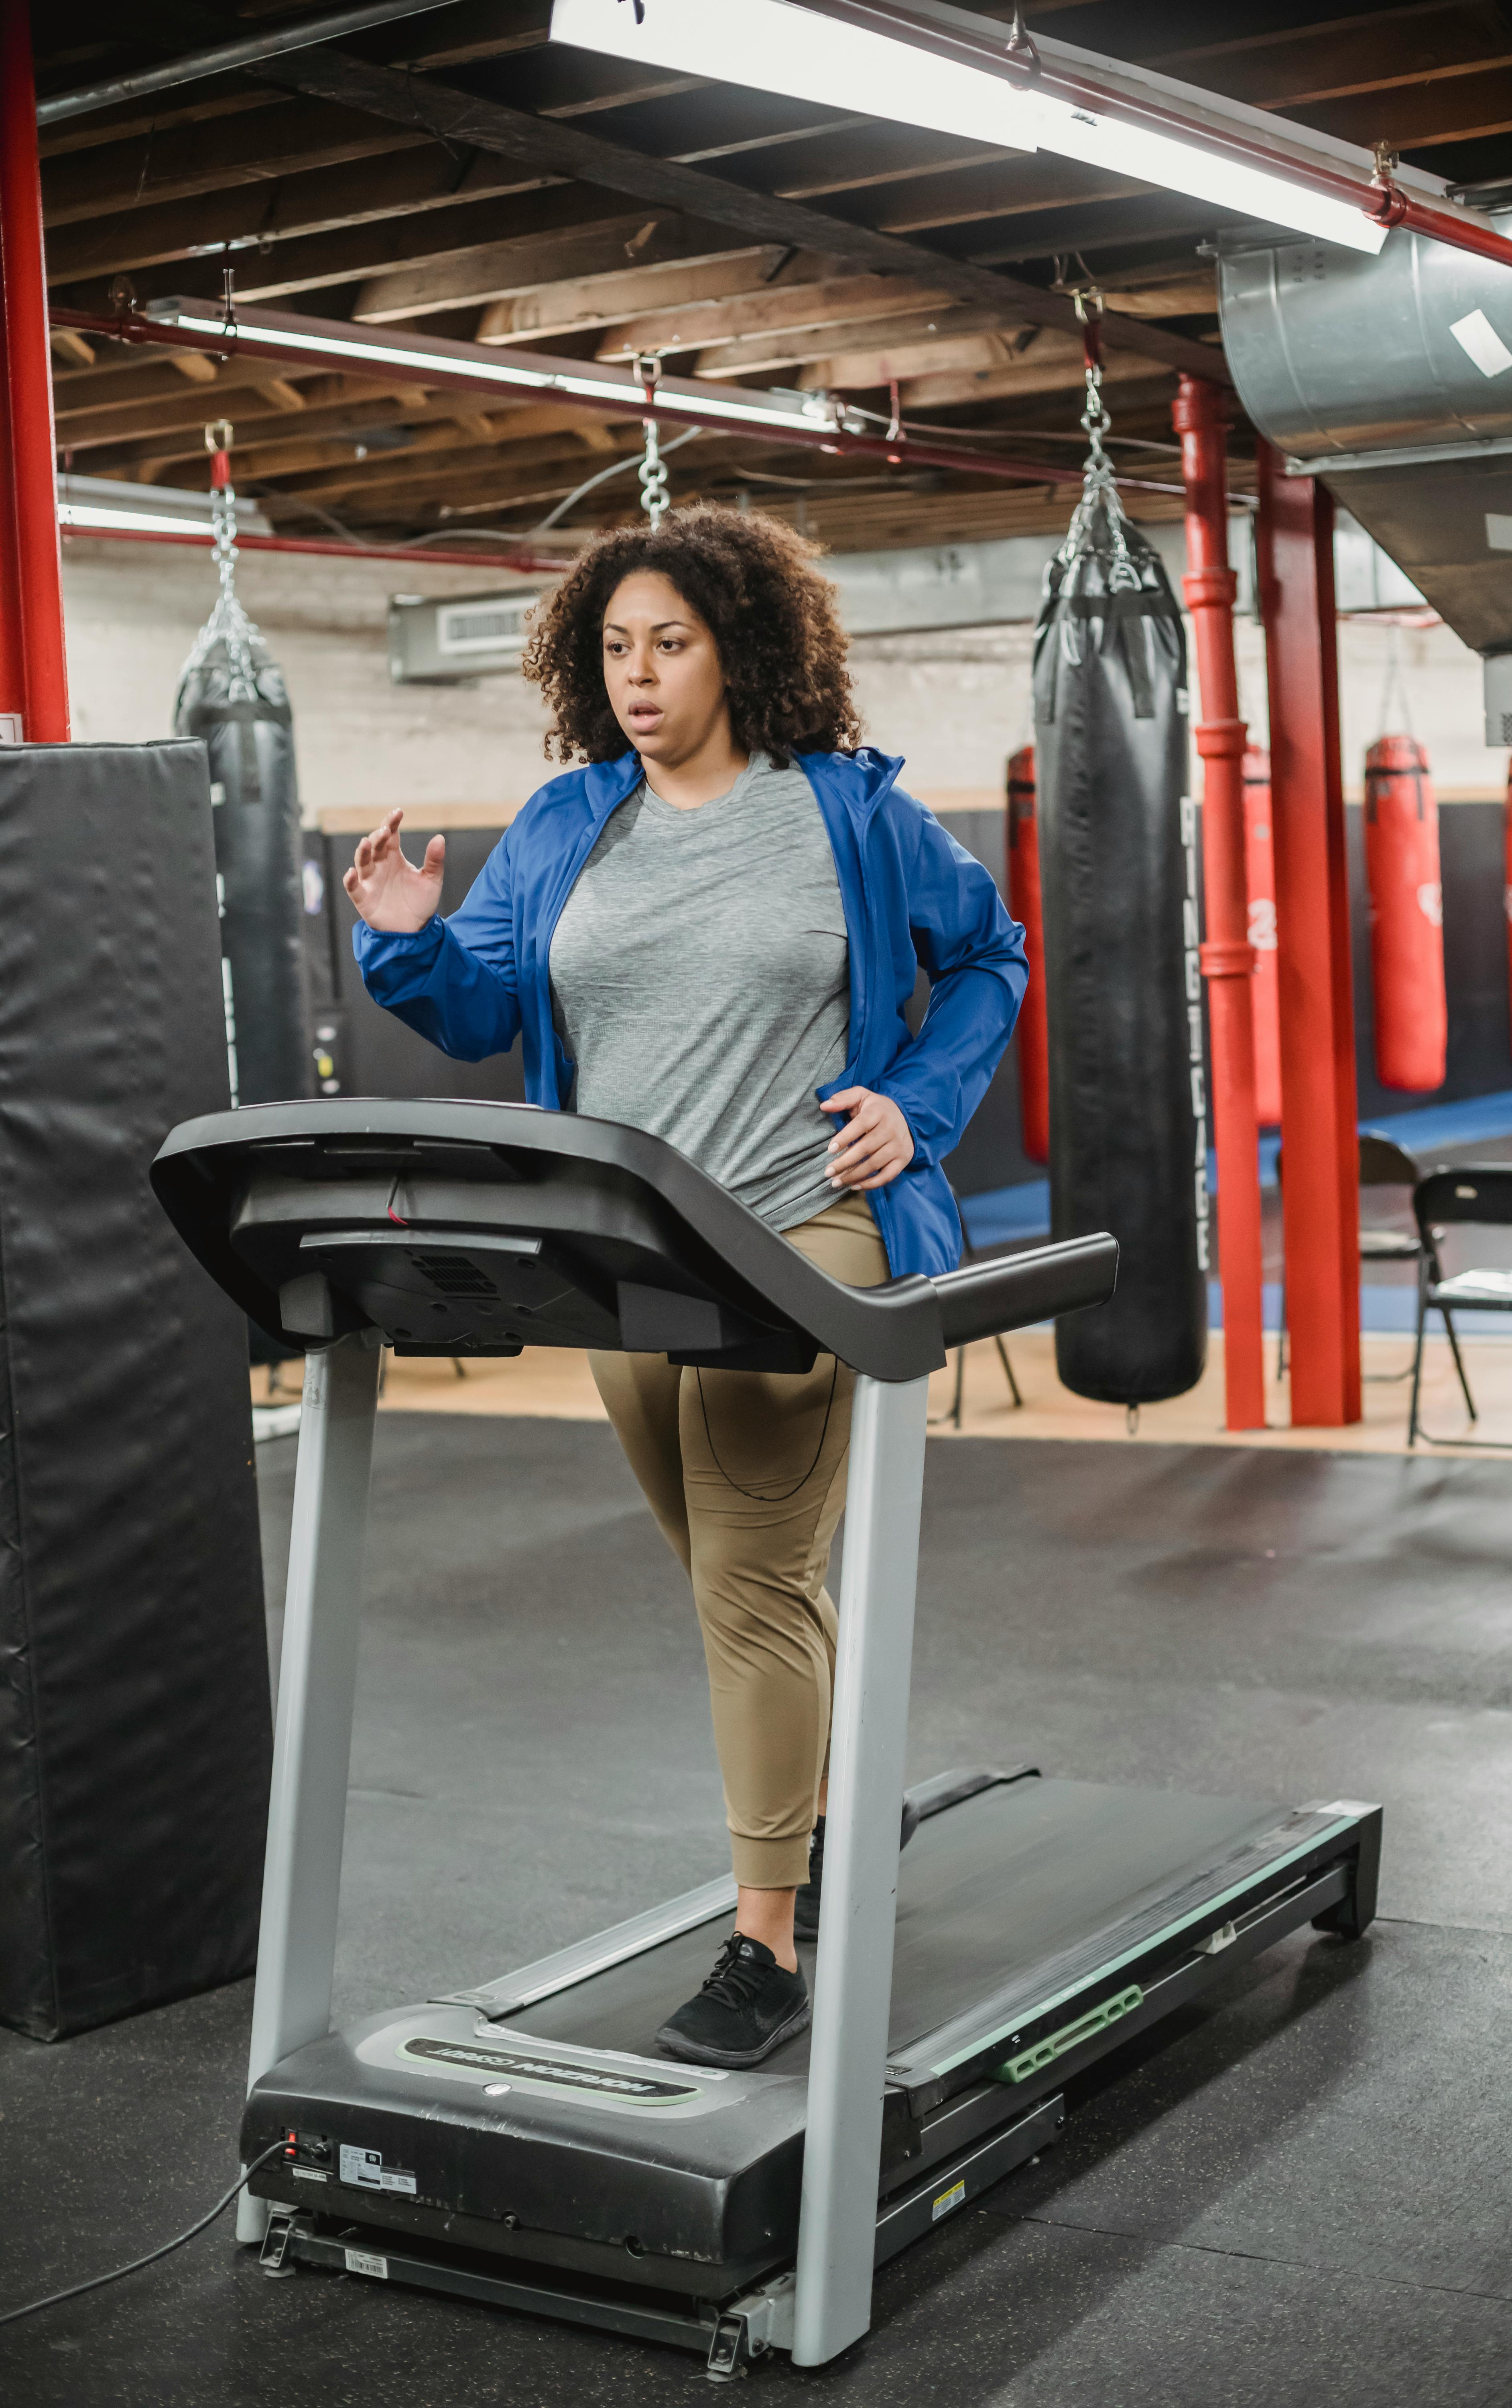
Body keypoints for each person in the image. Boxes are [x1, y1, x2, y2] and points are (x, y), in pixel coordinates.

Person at [345, 504, 1026, 2068]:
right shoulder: (568, 819)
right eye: (614, 649)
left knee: (747, 1578)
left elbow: (988, 954)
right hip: (623, 1252)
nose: (639, 675)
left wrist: (913, 1109)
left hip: (804, 1228)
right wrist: (404, 942)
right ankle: (842, 1820)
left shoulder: (845, 814)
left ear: (740, 653)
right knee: (738, 1573)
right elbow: (479, 1005)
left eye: (670, 643)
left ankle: (764, 1944)